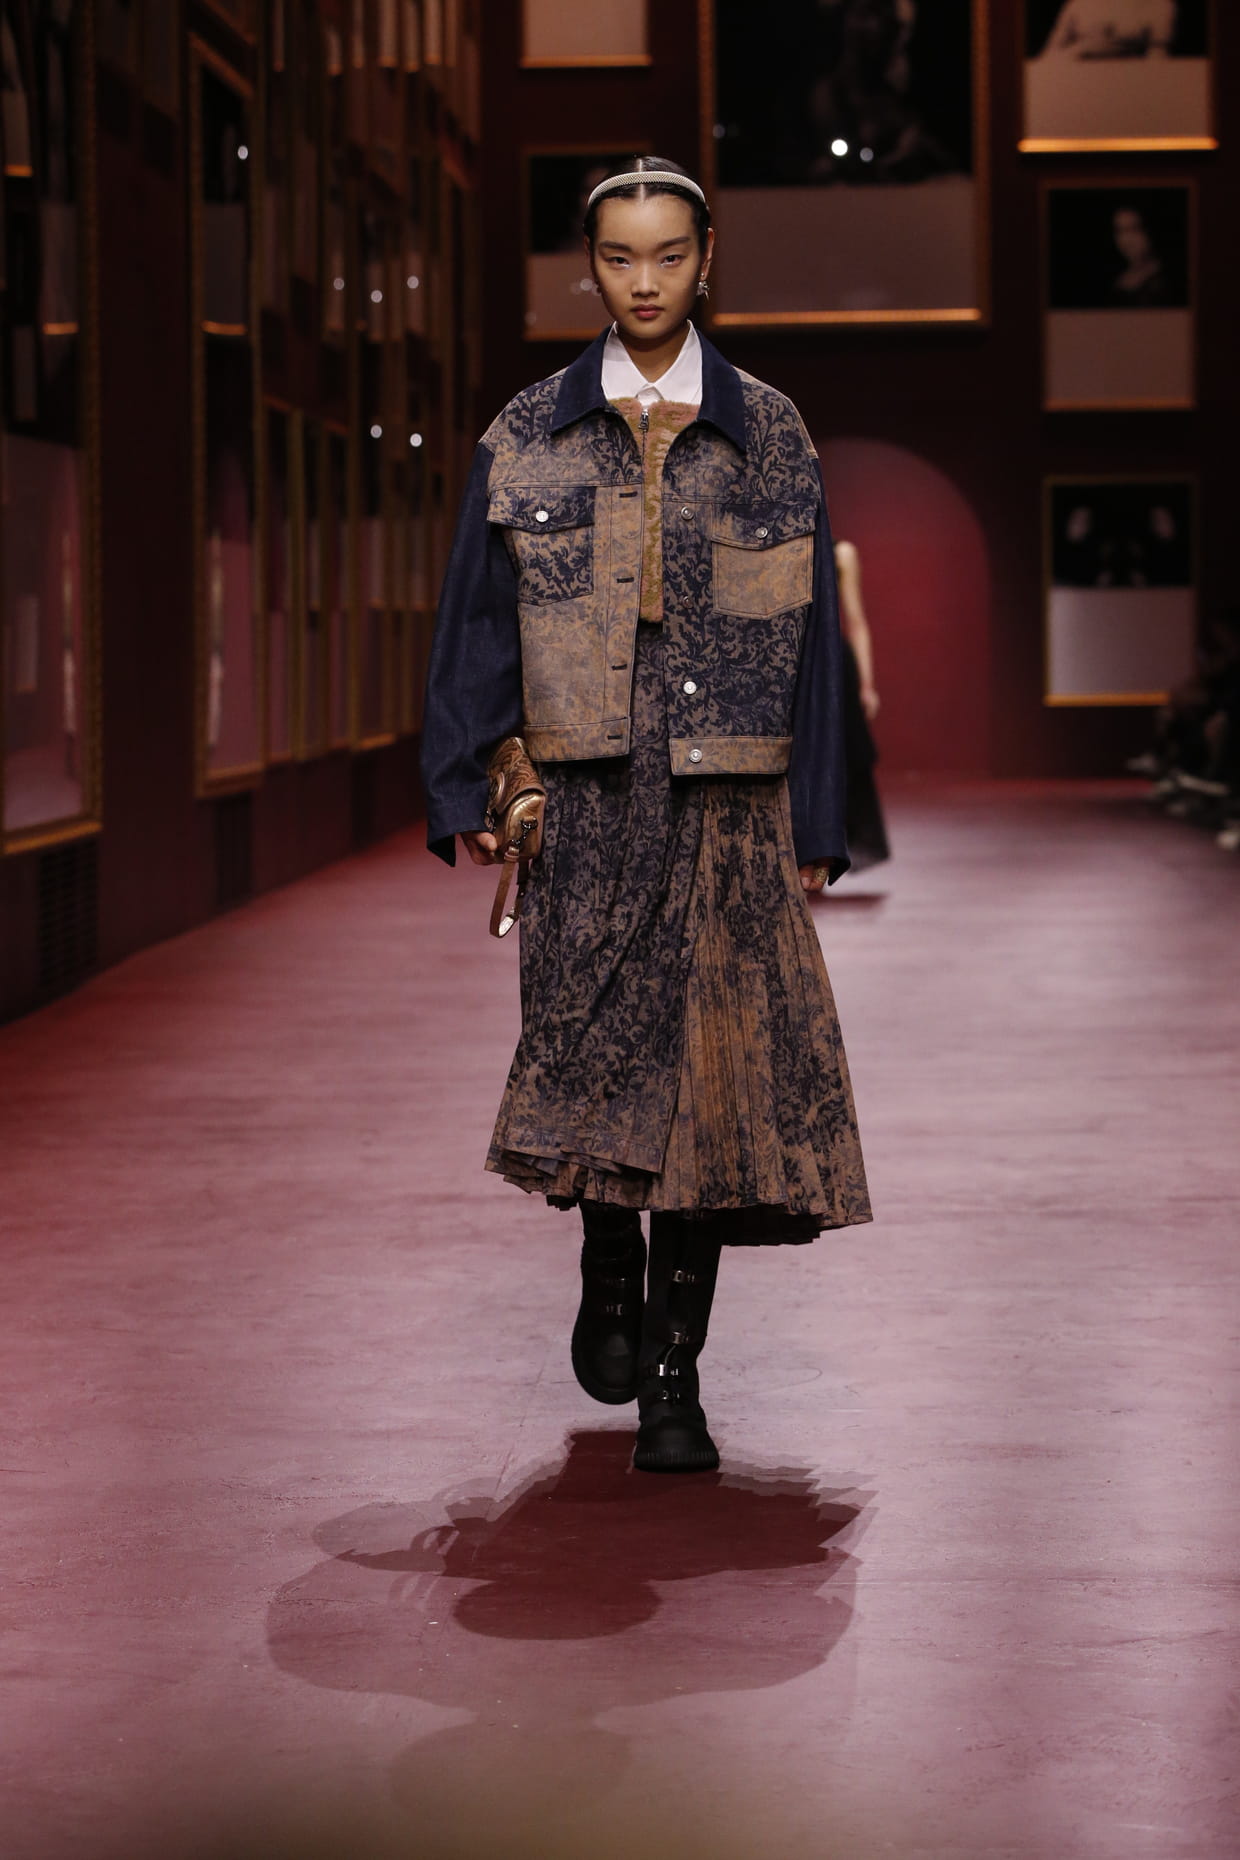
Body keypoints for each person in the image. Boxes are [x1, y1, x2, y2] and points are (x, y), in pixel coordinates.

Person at [421, 157, 871, 1475]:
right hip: (581, 801)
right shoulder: (527, 431)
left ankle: (676, 1376)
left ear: (706, 257)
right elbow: (476, 620)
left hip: (728, 804)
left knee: (710, 1096)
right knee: (587, 1064)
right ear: (591, 265)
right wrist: (466, 780)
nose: (644, 281)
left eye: (668, 255)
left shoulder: (771, 431)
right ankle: (606, 1256)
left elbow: (813, 646)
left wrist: (819, 821)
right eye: (619, 257)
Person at [834, 539, 890, 871]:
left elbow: (856, 621)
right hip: (785, 664)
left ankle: (823, 858)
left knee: (841, 761)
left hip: (832, 666)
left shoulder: (842, 553)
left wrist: (866, 686)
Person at [1038, 0, 1177, 60]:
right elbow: (1048, 60)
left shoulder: (1159, 6)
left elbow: (1158, 62)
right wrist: (1083, 49)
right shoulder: (1078, 5)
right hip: (1078, 86)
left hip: (1133, 86)